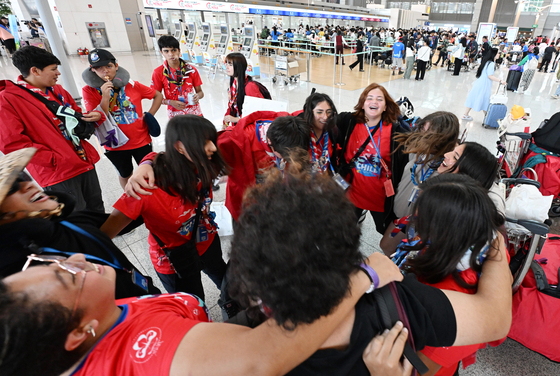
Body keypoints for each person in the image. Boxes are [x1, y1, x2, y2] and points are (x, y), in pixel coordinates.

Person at [226, 168, 512, 375]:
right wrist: (497, 240)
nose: (413, 217)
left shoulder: (232, 341)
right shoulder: (403, 301)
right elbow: (496, 319)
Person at [0, 148, 159, 299]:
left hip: (149, 296)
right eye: (12, 188)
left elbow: (121, 220)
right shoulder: (21, 280)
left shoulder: (69, 221)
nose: (28, 185)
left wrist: (149, 166)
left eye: (22, 178)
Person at [101, 115, 227, 301]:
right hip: (174, 261)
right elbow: (104, 235)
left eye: (212, 140)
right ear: (179, 147)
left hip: (207, 242)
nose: (213, 147)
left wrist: (147, 160)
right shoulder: (147, 185)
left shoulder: (202, 163)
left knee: (227, 284)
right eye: (204, 141)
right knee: (192, 306)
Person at [395, 174, 506, 376]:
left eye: (423, 220)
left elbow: (418, 371)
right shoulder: (469, 251)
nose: (414, 223)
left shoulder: (459, 302)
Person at [0, 46, 105, 212]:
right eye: (53, 69)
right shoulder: (8, 99)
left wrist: (91, 117)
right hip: (58, 172)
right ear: (35, 70)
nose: (58, 73)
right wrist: (57, 159)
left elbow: (74, 114)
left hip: (83, 160)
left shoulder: (57, 91)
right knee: (76, 216)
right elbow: (13, 144)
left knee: (96, 207)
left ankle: (101, 237)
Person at [381, 141, 502, 256]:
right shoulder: (442, 185)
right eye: (452, 151)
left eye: (455, 157)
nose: (446, 155)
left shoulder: (459, 217)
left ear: (469, 172)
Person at [82, 48, 163, 190]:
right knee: (125, 173)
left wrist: (149, 114)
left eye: (108, 66)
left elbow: (158, 95)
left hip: (141, 140)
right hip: (114, 143)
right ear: (92, 70)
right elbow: (98, 117)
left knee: (150, 171)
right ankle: (130, 198)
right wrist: (105, 97)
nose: (105, 71)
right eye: (99, 68)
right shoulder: (89, 90)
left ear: (116, 66)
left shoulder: (132, 85)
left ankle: (153, 198)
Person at [336, 83, 409, 234]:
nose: (374, 102)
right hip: (352, 193)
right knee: (344, 233)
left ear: (385, 106)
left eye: (379, 99)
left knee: (386, 234)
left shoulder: (396, 131)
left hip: (381, 198)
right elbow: (322, 119)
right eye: (369, 98)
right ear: (362, 104)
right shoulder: (349, 121)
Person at [390, 111, 460, 219]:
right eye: (422, 129)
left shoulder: (445, 167)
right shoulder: (416, 148)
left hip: (417, 224)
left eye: (428, 135)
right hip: (396, 213)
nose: (421, 135)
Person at [151, 35, 204, 119]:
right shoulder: (158, 72)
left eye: (174, 50)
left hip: (195, 113)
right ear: (161, 52)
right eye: (166, 51)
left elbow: (200, 92)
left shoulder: (191, 70)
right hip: (175, 116)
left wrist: (197, 96)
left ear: (179, 51)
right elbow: (156, 97)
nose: (171, 54)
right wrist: (170, 102)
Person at [223, 52, 265, 127]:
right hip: (239, 124)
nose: (227, 67)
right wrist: (225, 122)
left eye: (230, 65)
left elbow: (256, 112)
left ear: (238, 67)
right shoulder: (233, 84)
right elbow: (231, 105)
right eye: (226, 64)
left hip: (250, 126)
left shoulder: (250, 87)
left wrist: (236, 119)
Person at [463, 48, 506, 121]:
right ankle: (488, 118)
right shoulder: (491, 63)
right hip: (484, 84)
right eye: (498, 53)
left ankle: (465, 115)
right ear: (494, 54)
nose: (499, 54)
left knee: (473, 97)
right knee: (485, 100)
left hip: (479, 82)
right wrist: (500, 81)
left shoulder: (486, 62)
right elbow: (490, 76)